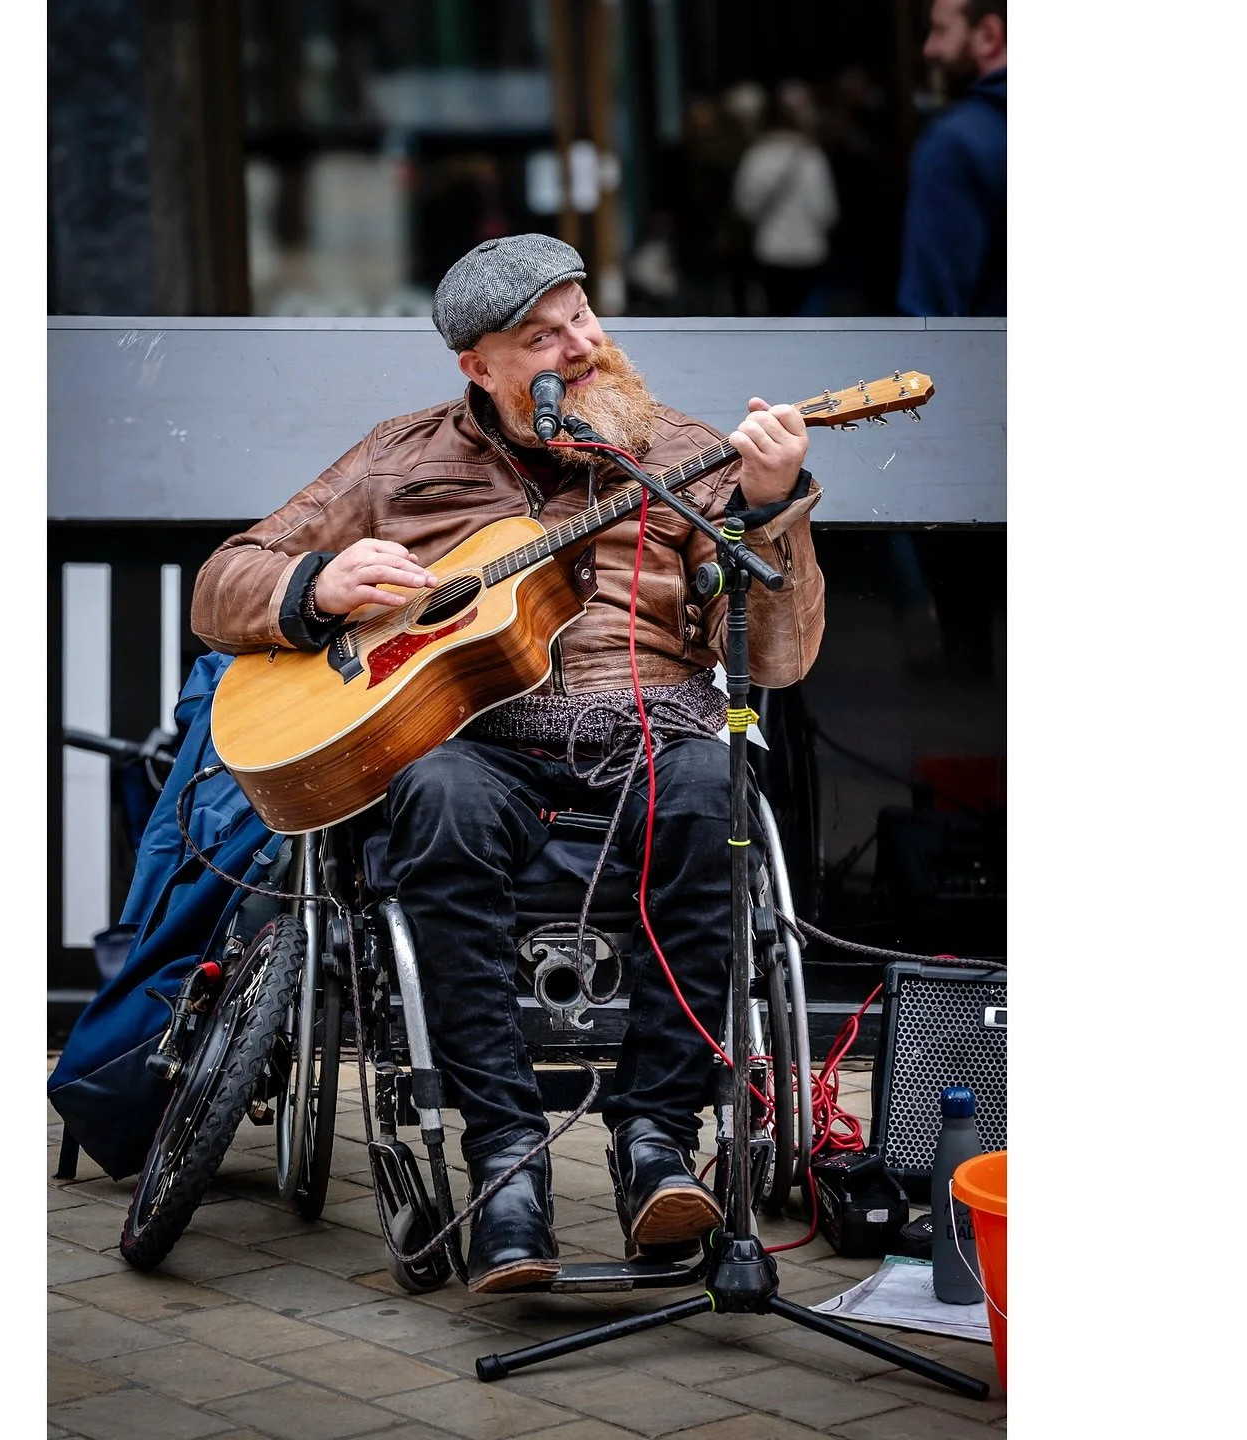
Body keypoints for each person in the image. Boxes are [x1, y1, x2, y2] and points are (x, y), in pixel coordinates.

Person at [190, 233, 826, 1293]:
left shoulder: (681, 451)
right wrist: (316, 581)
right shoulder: (398, 460)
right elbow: (225, 579)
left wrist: (773, 508)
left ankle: (656, 1141)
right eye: (541, 335)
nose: (580, 345)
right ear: (476, 367)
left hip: (657, 740)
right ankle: (506, 1160)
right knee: (433, 797)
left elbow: (785, 653)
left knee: (722, 790)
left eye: (584, 315)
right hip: (484, 748)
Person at [896, 0, 1007, 317]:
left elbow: (931, 322)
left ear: (988, 35)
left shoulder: (955, 144)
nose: (930, 49)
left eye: (941, 30)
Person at [730, 79, 839, 318]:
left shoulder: (757, 155)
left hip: (771, 250)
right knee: (810, 322)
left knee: (775, 321)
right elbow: (826, 210)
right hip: (810, 251)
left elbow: (744, 206)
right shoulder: (812, 156)